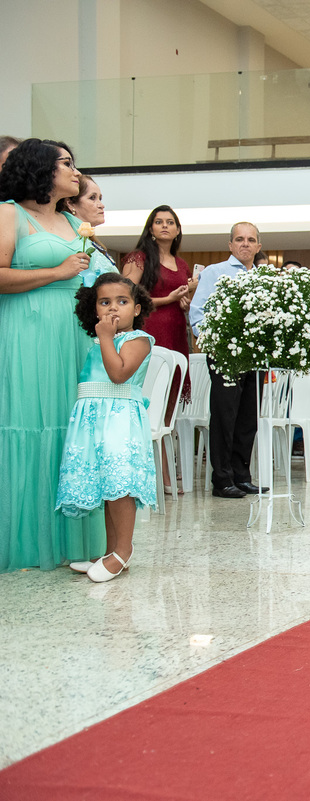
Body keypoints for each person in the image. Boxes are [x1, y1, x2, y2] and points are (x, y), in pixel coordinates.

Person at [0, 139, 107, 571]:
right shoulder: (10, 213)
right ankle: (24, 541)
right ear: (40, 169)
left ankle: (69, 541)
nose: (75, 171)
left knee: (70, 430)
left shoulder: (69, 219)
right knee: (29, 425)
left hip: (71, 336)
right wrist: (57, 273)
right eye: (66, 163)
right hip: (27, 333)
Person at [58, 274, 156, 582]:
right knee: (105, 486)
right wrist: (102, 339)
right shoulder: (97, 342)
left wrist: (104, 338)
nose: (113, 309)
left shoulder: (138, 340)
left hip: (119, 420)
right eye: (105, 302)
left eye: (122, 302)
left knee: (119, 486)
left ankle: (123, 551)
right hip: (94, 419)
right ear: (94, 309)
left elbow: (118, 374)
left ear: (137, 309)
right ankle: (110, 551)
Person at [189, 222, 269, 498]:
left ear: (258, 246)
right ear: (230, 245)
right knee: (225, 417)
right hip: (225, 355)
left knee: (248, 418)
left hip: (255, 356)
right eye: (239, 239)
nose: (245, 244)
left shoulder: (264, 278)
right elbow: (197, 313)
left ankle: (242, 476)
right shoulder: (215, 272)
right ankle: (222, 479)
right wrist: (213, 343)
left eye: (250, 240)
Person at [122, 205, 195, 429]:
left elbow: (181, 299)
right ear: (151, 229)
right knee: (149, 395)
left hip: (176, 332)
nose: (165, 226)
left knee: (170, 400)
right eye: (159, 221)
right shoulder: (139, 258)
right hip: (149, 330)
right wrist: (167, 299)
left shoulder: (181, 264)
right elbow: (125, 298)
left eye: (170, 222)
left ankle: (164, 451)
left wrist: (185, 302)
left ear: (178, 230)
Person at [59, 174, 119, 287]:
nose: (101, 205)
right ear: (71, 203)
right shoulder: (67, 240)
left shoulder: (90, 242)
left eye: (100, 199)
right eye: (92, 198)